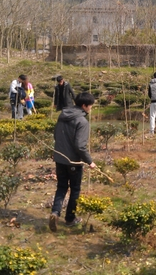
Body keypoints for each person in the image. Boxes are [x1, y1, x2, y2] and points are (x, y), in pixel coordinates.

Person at [49, 92, 97, 232]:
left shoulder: (62, 115)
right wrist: (90, 161)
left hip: (59, 158)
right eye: (90, 106)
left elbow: (55, 135)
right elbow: (80, 146)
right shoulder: (82, 122)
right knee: (75, 189)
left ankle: (55, 212)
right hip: (73, 162)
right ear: (84, 106)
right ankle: (70, 218)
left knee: (62, 187)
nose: (91, 108)